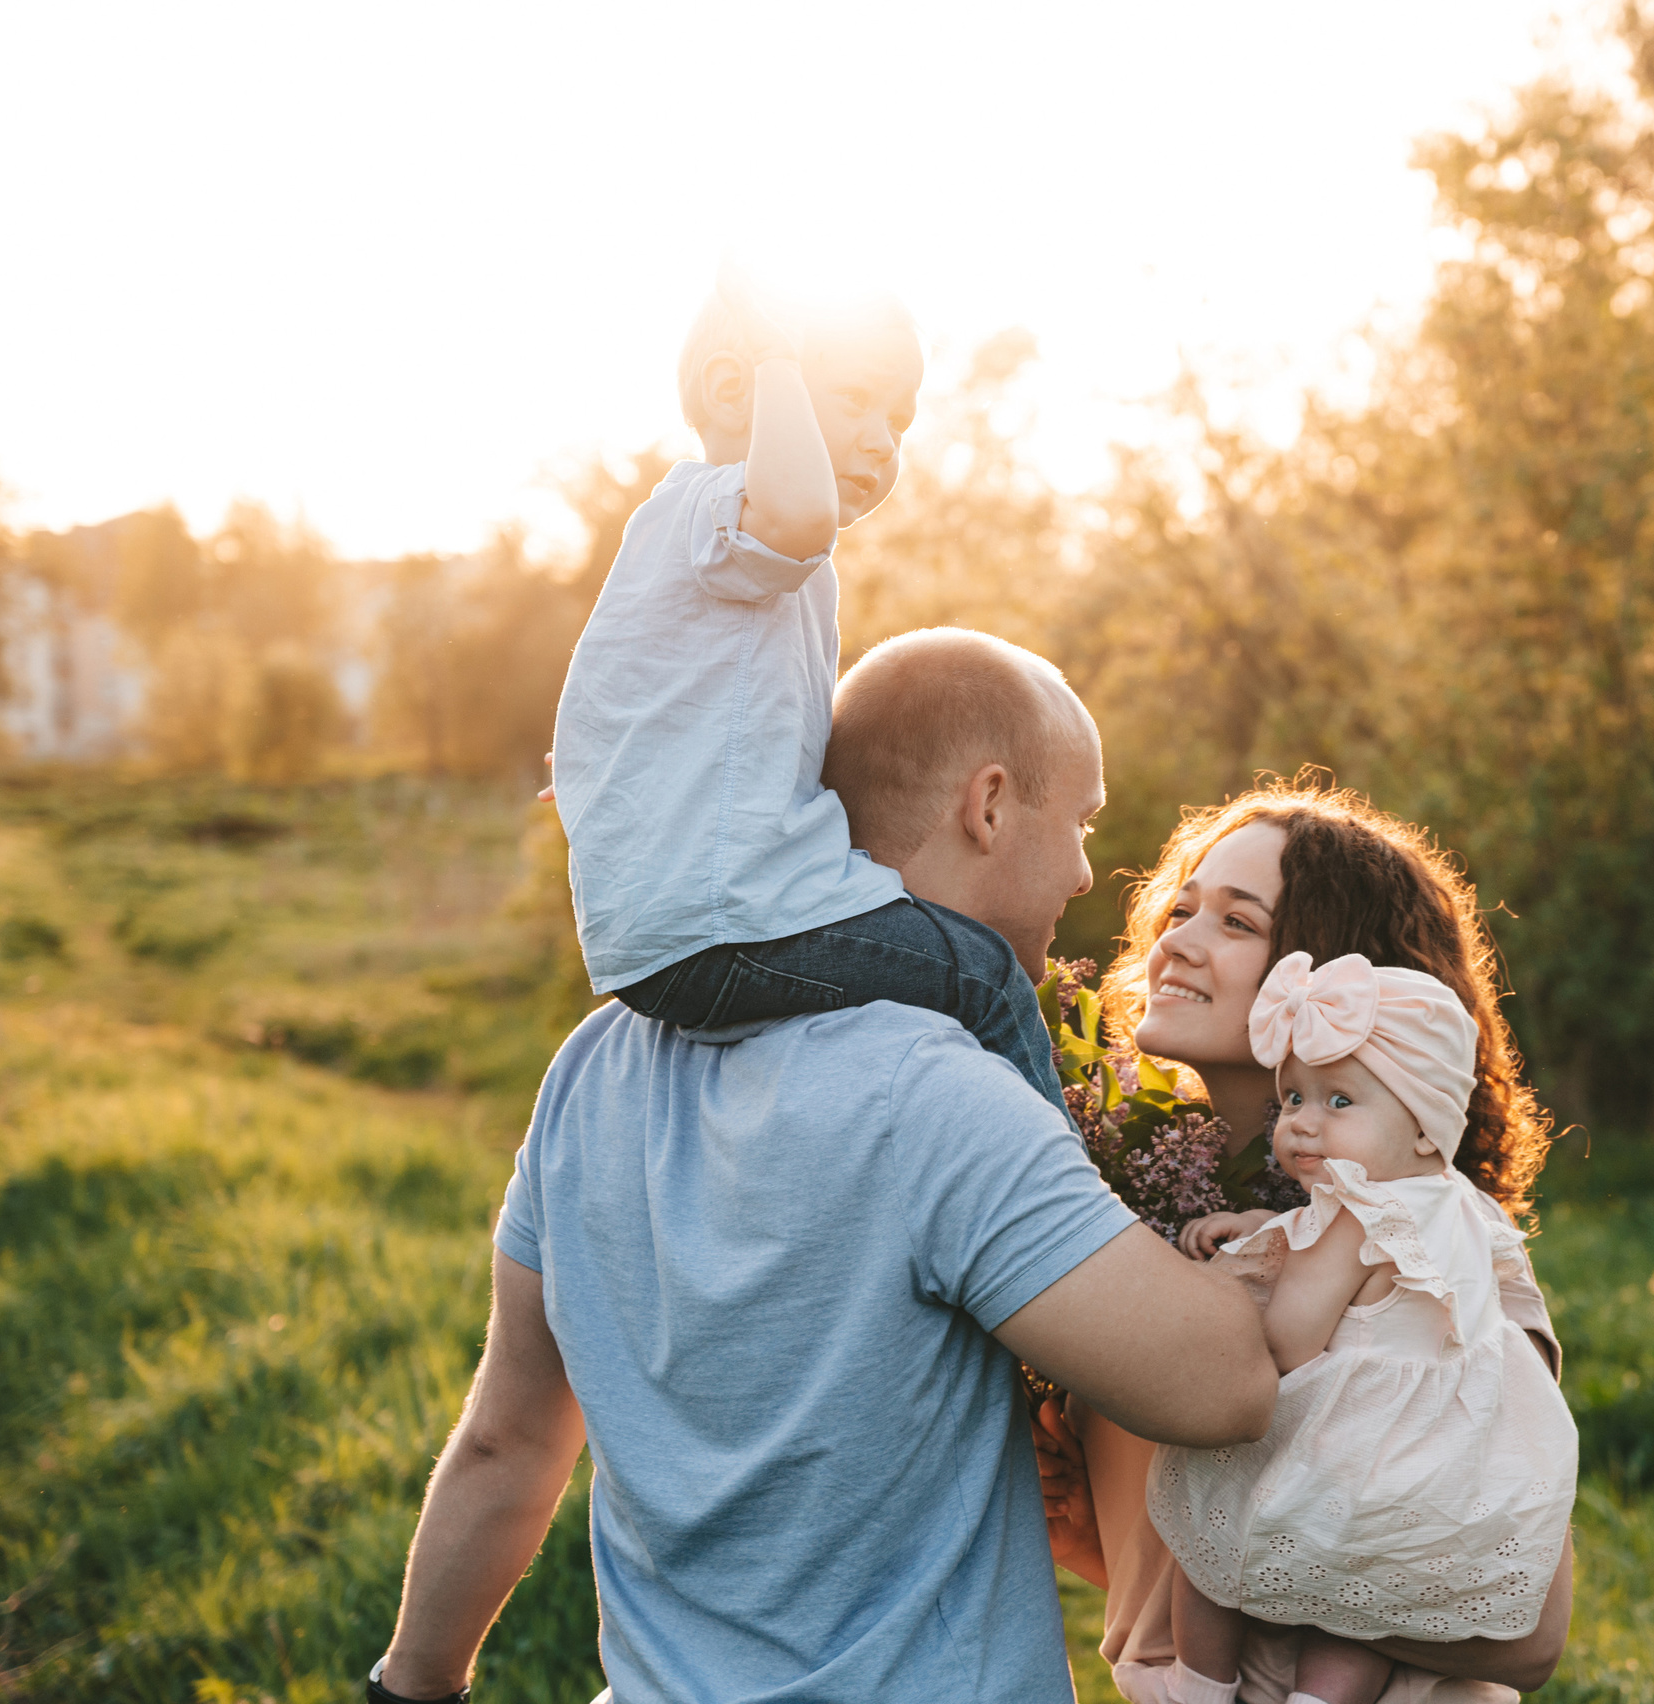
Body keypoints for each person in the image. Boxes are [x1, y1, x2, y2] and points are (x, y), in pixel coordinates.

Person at [367, 630, 1279, 1704]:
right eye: (1080, 821)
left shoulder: (596, 1061)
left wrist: (410, 1686)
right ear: (988, 807)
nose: (1086, 870)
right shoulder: (934, 1095)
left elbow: (507, 1442)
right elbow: (1220, 1388)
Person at [1036, 779, 1573, 1704]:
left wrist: (1245, 1565)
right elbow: (1166, 1573)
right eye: (1182, 909)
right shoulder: (1140, 1205)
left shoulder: (1426, 1252)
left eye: (1237, 923)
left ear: (1341, 986)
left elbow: (1528, 1638)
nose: (1177, 940)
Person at [547, 266, 1062, 1109]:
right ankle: (1068, 1188)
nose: (882, 441)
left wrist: (602, 771)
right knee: (985, 976)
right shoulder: (727, 511)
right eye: (854, 400)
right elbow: (797, 513)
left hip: (683, 935)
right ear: (735, 390)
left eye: (899, 421)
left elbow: (626, 698)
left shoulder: (685, 541)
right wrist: (778, 363)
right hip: (732, 923)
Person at [1151, 952, 1580, 1704]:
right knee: (1358, 1618)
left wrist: (1242, 1281)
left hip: (1346, 1454)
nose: (1303, 1122)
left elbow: (1291, 1340)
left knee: (1210, 1541)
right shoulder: (1463, 1207)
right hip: (1438, 1478)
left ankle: (1197, 1686)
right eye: (1293, 1098)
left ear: (1425, 1130)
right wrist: (1276, 1226)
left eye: (1340, 1101)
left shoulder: (1357, 1214)